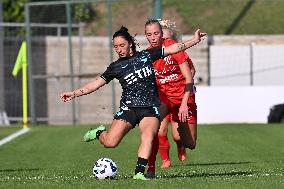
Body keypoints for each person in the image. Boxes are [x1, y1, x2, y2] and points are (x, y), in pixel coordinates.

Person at [60, 26, 206, 180]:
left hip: (149, 108)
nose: (119, 49)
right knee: (110, 143)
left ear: (130, 43)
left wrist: (194, 40)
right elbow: (95, 84)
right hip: (129, 108)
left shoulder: (146, 56)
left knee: (148, 135)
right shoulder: (116, 67)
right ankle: (98, 132)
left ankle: (139, 172)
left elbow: (173, 48)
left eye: (122, 45)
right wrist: (73, 93)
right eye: (116, 47)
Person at [144, 19, 198, 176]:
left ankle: (181, 144)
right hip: (163, 98)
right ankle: (151, 168)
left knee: (189, 142)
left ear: (163, 35)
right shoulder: (149, 54)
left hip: (183, 97)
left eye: (157, 34)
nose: (153, 37)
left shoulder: (173, 47)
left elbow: (189, 76)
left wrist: (182, 104)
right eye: (150, 34)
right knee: (154, 128)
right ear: (146, 36)